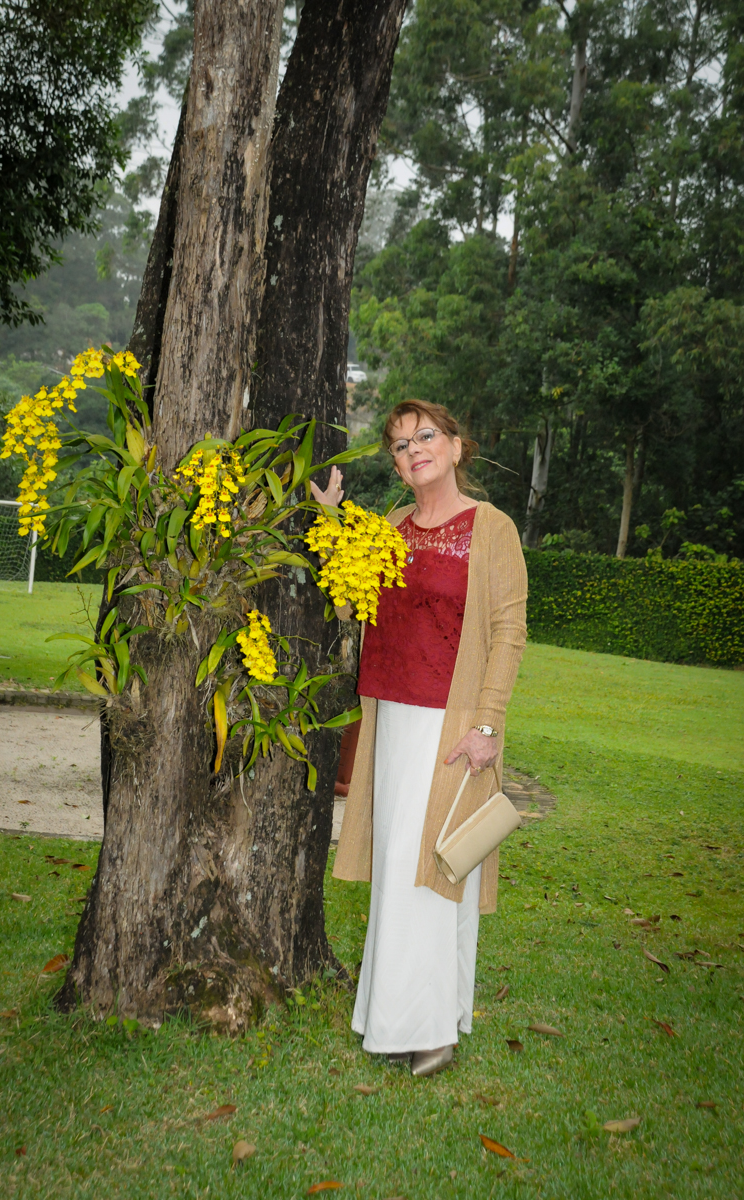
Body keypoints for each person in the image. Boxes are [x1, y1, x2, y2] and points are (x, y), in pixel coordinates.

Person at [310, 399, 527, 1077]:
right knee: (409, 871)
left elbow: (508, 632)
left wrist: (487, 723)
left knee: (429, 873)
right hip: (393, 719)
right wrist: (330, 520)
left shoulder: (491, 529)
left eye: (425, 437)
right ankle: (415, 1014)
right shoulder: (390, 527)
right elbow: (348, 602)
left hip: (453, 722)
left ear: (457, 447)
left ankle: (429, 1031)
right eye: (400, 446)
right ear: (398, 467)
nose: (413, 451)